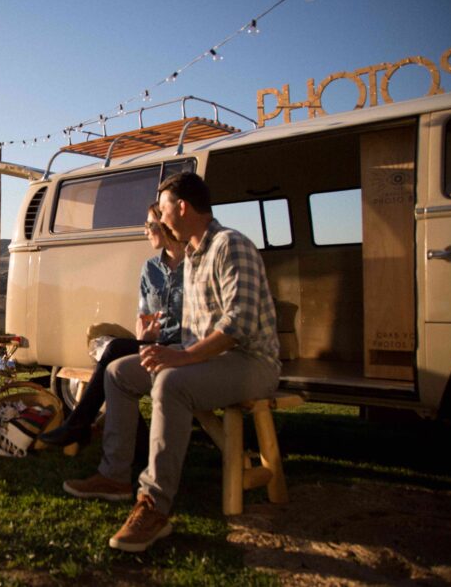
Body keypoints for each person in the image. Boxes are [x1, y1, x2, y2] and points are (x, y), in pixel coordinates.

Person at [63, 171, 280, 553]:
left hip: (249, 363)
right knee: (118, 372)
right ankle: (114, 477)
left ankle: (154, 505)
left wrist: (179, 357)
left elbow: (237, 325)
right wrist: (161, 348)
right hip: (205, 362)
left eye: (162, 212)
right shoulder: (193, 256)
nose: (160, 221)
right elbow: (194, 330)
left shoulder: (230, 245)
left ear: (182, 207)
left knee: (170, 383)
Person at [38, 204, 186, 457]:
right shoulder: (150, 269)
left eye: (149, 225)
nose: (145, 232)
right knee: (113, 355)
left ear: (166, 224)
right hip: (158, 344)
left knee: (116, 350)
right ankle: (118, 443)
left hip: (186, 347)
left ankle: (78, 425)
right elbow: (144, 316)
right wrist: (145, 334)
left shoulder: (196, 264)